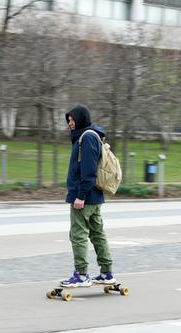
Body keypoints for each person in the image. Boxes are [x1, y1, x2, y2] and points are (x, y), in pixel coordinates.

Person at [60, 104, 116, 287]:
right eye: (68, 120)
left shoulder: (88, 137)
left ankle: (81, 275)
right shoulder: (89, 136)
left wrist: (80, 195)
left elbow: (89, 171)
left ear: (80, 118)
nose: (70, 123)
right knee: (97, 233)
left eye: (72, 119)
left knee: (78, 234)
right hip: (92, 196)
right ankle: (106, 273)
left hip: (85, 196)